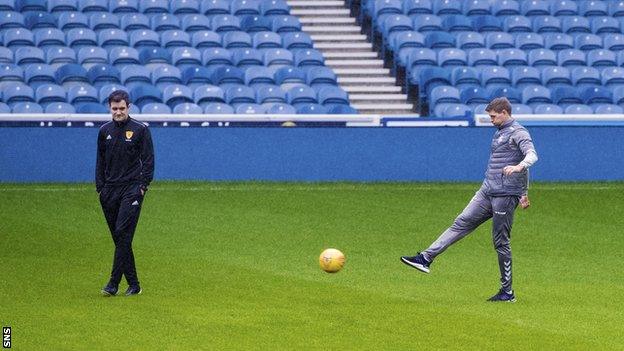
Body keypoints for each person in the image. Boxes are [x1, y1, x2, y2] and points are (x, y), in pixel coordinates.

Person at [400, 97, 538, 302]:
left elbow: (532, 155)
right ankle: (426, 258)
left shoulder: (519, 132)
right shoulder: (500, 132)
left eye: (492, 116)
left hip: (504, 195)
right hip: (487, 190)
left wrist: (519, 173)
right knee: (460, 223)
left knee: (501, 242)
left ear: (504, 113)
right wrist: (524, 190)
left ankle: (507, 292)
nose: (490, 120)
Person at [96, 90, 154, 297]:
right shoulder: (104, 131)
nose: (118, 112)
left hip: (132, 189)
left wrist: (143, 186)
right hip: (109, 190)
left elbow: (148, 161)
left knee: (122, 232)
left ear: (129, 107)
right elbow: (100, 161)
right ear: (109, 108)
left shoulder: (140, 130)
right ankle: (134, 284)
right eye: (114, 108)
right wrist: (100, 188)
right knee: (120, 237)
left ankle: (113, 283)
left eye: (122, 108)